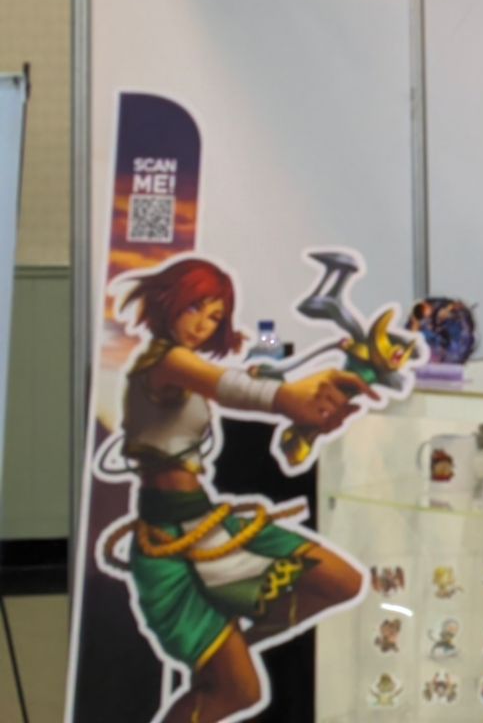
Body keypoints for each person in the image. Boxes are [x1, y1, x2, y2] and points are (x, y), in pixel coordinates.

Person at [101, 256, 372, 723]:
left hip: (205, 523)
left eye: (214, 316)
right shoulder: (166, 361)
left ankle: (233, 650)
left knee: (340, 581)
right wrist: (289, 399)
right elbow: (235, 389)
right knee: (238, 691)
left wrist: (311, 412)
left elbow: (255, 394)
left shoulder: (183, 366)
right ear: (170, 302)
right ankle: (228, 661)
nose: (202, 324)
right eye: (195, 308)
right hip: (168, 544)